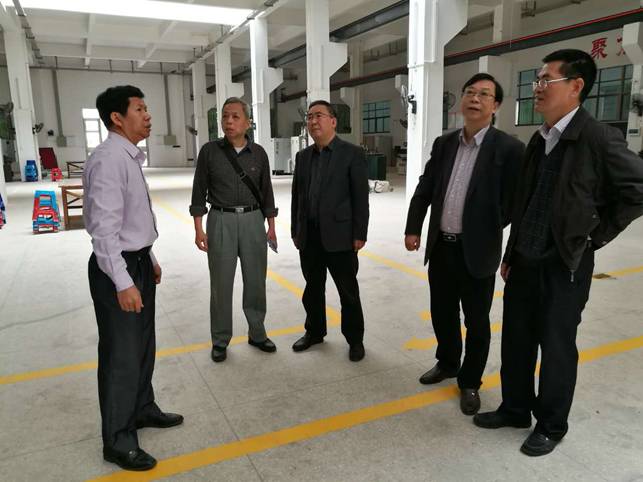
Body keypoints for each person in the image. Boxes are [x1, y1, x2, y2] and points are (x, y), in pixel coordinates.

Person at [474, 49, 643, 456]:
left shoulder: (599, 138)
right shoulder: (540, 138)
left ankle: (551, 424)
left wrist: (594, 236)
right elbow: (526, 200)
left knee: (556, 346)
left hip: (565, 263)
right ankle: (515, 408)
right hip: (525, 259)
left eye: (545, 80)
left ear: (576, 86)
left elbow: (637, 190)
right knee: (516, 340)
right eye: (537, 80)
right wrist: (511, 252)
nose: (536, 88)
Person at [404, 73, 524, 415]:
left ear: (495, 105)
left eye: (484, 94)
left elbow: (516, 203)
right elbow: (425, 188)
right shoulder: (444, 144)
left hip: (478, 251)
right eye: (470, 92)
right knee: (442, 313)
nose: (475, 98)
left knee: (477, 321)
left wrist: (492, 230)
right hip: (442, 247)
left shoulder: (509, 148)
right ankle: (447, 363)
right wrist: (413, 227)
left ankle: (470, 381)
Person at [85, 85, 183, 472]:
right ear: (117, 117)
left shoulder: (128, 156)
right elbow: (104, 231)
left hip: (136, 261)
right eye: (139, 109)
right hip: (118, 268)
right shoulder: (109, 160)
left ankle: (142, 408)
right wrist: (123, 281)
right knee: (121, 357)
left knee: (142, 345)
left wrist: (149, 257)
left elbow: (131, 220)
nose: (148, 115)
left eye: (146, 108)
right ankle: (118, 440)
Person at [190, 97, 278, 363]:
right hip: (220, 220)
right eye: (225, 116)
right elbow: (198, 190)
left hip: (253, 220)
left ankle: (257, 333)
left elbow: (266, 192)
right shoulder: (209, 151)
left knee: (256, 281)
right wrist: (199, 229)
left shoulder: (259, 153)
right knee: (221, 284)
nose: (228, 121)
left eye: (235, 116)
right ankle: (220, 340)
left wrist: (271, 227)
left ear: (248, 122)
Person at [290, 100, 370, 361]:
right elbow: (297, 197)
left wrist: (359, 233)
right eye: (309, 116)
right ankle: (314, 332)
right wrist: (295, 229)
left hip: (341, 236)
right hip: (309, 236)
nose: (313, 121)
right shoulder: (303, 157)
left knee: (348, 292)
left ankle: (355, 340)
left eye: (319, 116)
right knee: (313, 289)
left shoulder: (352, 154)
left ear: (333, 121)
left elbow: (360, 198)